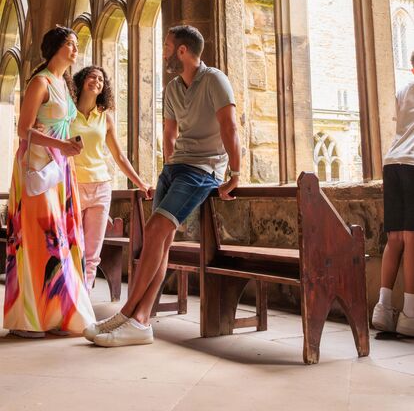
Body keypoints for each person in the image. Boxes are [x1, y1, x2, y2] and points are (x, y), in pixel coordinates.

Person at [84, 24, 241, 347]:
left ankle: (126, 314)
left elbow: (230, 126)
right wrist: (168, 167)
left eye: (167, 46)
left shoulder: (214, 80)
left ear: (182, 51)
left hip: (201, 171)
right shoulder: (172, 87)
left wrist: (236, 173)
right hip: (174, 170)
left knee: (155, 231)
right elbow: (169, 135)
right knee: (162, 242)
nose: (164, 51)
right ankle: (140, 322)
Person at [3, 26, 95, 338]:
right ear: (55, 47)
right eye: (71, 44)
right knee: (41, 236)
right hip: (37, 169)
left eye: (77, 44)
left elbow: (58, 128)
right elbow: (23, 130)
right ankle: (30, 317)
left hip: (60, 169)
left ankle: (58, 313)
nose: (75, 50)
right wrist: (62, 146)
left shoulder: (64, 84)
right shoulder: (40, 82)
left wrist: (71, 145)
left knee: (62, 237)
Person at [71, 65, 150, 292]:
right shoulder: (67, 112)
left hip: (100, 187)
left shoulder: (105, 118)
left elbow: (119, 156)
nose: (96, 81)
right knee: (72, 247)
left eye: (101, 79)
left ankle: (83, 305)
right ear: (81, 81)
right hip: (73, 186)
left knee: (92, 253)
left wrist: (140, 183)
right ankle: (68, 302)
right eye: (91, 77)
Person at [372, 50, 414, 336]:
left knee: (395, 238)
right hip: (413, 162)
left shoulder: (403, 90)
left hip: (393, 162)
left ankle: (384, 308)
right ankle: (410, 313)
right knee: (411, 238)